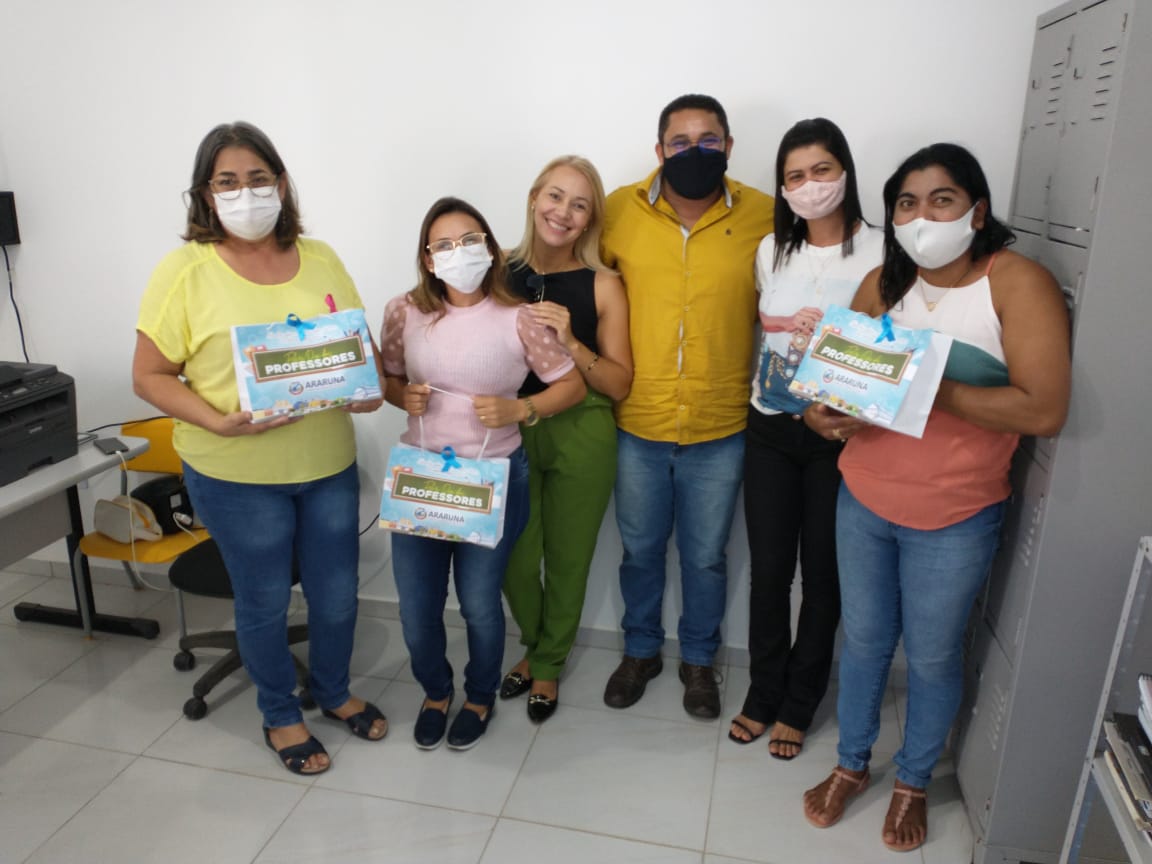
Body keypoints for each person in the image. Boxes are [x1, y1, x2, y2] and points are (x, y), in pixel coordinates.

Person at [801, 143, 1071, 851]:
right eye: (907, 203)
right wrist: (821, 413)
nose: (923, 217)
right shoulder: (881, 284)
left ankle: (914, 779)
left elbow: (1043, 409)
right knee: (863, 642)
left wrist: (924, 384)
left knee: (930, 656)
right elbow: (836, 389)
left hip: (955, 515)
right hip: (864, 499)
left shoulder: (1016, 284)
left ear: (977, 212)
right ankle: (851, 763)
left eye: (941, 200)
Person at [133, 121, 388, 777]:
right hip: (236, 473)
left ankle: (333, 691)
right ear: (205, 193)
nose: (245, 194)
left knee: (337, 596)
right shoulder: (184, 272)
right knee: (265, 601)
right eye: (228, 182)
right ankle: (279, 713)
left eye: (258, 178)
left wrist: (367, 386)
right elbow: (150, 375)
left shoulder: (321, 257)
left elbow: (357, 349)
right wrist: (216, 422)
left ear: (281, 183)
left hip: (326, 465)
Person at [380, 197, 585, 750]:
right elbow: (388, 379)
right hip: (422, 478)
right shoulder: (403, 311)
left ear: (491, 249)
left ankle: (478, 695)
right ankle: (435, 692)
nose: (460, 252)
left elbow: (571, 385)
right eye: (445, 245)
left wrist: (521, 408)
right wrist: (403, 396)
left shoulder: (520, 317)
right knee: (416, 608)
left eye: (471, 240)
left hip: (491, 478)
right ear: (428, 259)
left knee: (478, 604)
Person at [600, 94, 774, 719]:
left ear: (728, 146)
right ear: (659, 150)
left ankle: (699, 660)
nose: (694, 151)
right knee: (640, 551)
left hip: (720, 425)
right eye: (679, 141)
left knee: (705, 557)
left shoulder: (766, 216)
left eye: (708, 140)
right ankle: (640, 650)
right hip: (638, 421)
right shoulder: (617, 210)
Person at [730, 118, 883, 758]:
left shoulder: (882, 252)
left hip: (840, 440)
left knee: (824, 577)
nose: (809, 185)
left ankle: (800, 701)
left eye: (821, 170)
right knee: (768, 573)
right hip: (769, 427)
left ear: (845, 172)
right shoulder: (772, 250)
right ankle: (763, 691)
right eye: (794, 176)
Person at [499, 156, 633, 723]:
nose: (563, 212)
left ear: (590, 220)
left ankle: (548, 664)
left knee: (568, 557)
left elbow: (620, 383)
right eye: (555, 196)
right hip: (510, 425)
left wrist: (572, 341)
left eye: (580, 205)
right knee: (513, 555)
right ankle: (537, 646)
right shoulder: (493, 269)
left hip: (584, 427)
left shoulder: (604, 284)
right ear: (534, 198)